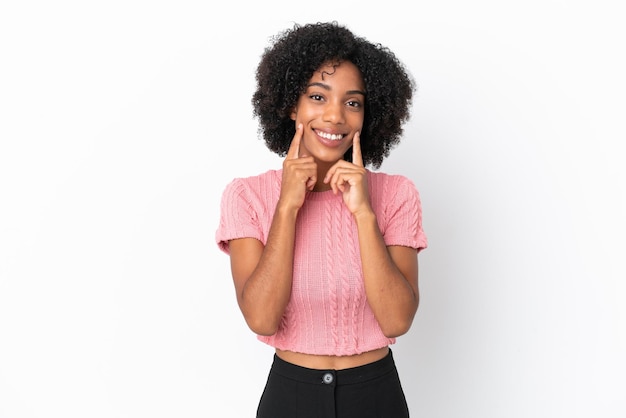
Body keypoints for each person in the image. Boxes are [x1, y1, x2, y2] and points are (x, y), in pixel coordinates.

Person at [216, 21, 427, 418]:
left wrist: (364, 213)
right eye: (318, 96)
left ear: (369, 114)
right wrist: (286, 207)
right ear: (290, 105)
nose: (335, 117)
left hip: (376, 395)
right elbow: (261, 317)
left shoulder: (397, 194)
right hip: (291, 396)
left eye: (353, 102)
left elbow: (397, 319)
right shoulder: (247, 196)